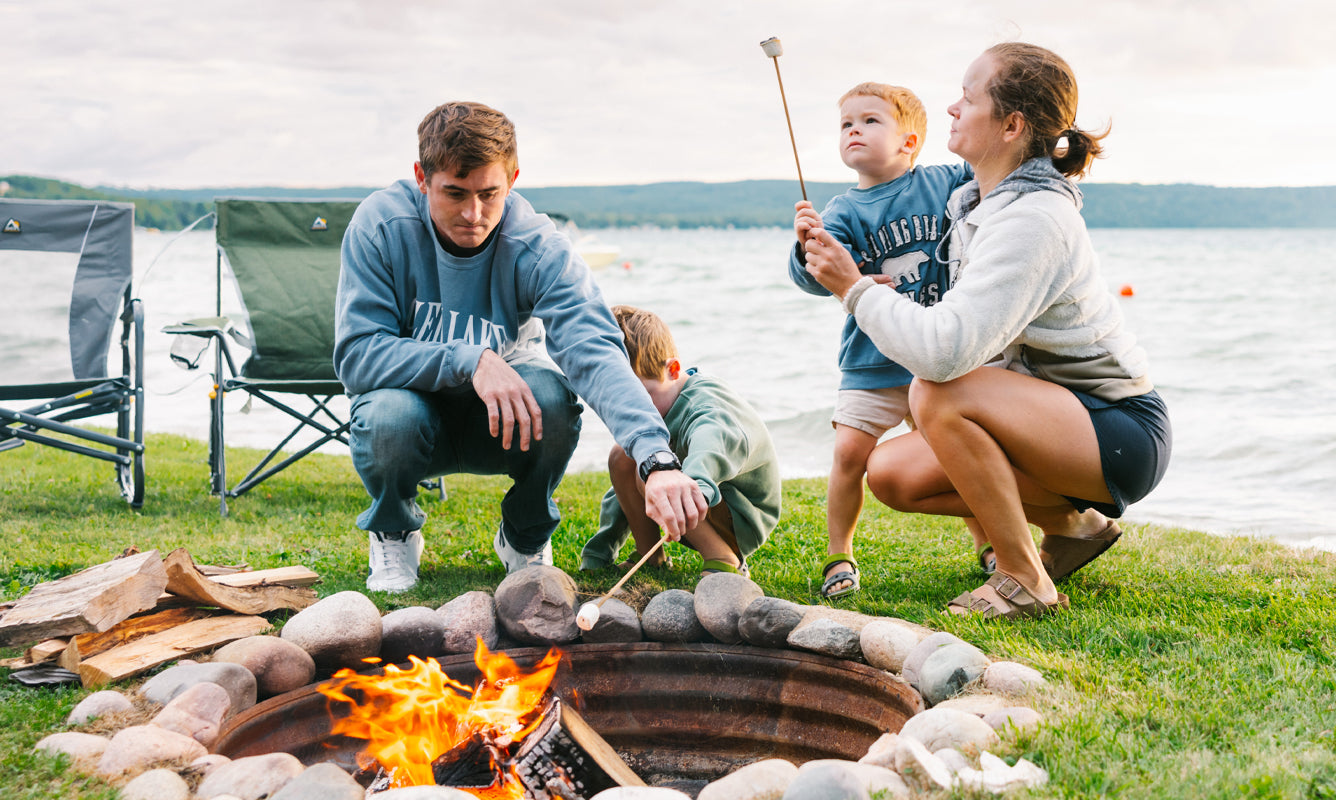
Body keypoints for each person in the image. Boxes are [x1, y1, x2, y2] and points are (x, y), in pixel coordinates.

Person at [798, 43, 1171, 619]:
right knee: (891, 474)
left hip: (1115, 428)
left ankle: (1026, 579)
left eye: (968, 99)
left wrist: (855, 288)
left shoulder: (1034, 218)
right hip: (1051, 418)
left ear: (1012, 125)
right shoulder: (977, 203)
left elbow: (944, 354)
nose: (950, 108)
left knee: (937, 390)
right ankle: (1074, 528)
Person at [335, 101, 704, 592]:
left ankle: (524, 537)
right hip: (409, 414)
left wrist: (656, 458)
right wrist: (470, 360)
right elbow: (358, 354)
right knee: (387, 416)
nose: (474, 214)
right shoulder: (380, 226)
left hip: (505, 419)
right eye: (455, 193)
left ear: (513, 178)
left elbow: (593, 348)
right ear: (422, 177)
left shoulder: (539, 245)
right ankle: (394, 530)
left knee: (553, 397)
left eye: (490, 193)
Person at [787, 82, 972, 599]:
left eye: (870, 121)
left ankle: (989, 541)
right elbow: (810, 279)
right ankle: (839, 554)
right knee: (848, 454)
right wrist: (807, 243)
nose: (854, 130)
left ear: (909, 142)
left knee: (955, 455)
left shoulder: (945, 181)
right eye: (846, 123)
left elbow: (993, 171)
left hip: (936, 357)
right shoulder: (842, 210)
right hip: (871, 361)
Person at [579, 306, 781, 577]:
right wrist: (599, 550)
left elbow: (711, 446)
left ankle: (723, 559)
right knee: (622, 456)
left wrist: (685, 484)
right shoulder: (663, 405)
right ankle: (651, 556)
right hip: (694, 507)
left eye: (643, 396)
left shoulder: (708, 408)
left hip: (740, 513)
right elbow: (622, 491)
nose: (636, 410)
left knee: (653, 473)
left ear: (672, 369)